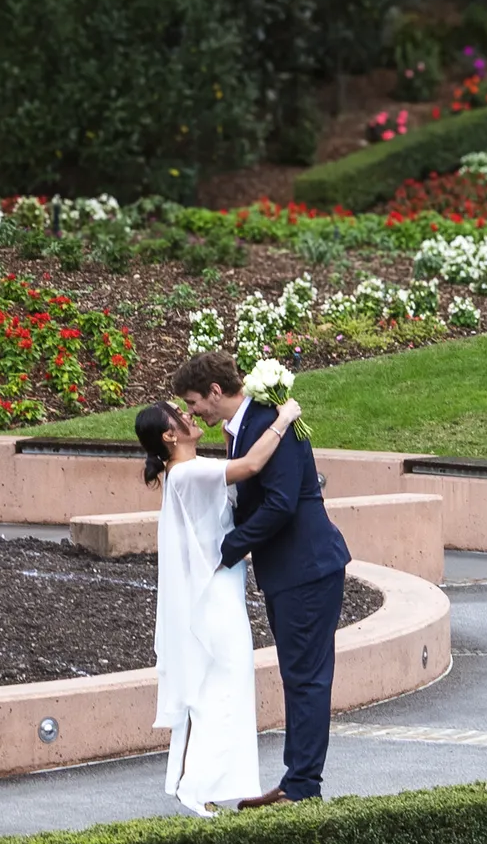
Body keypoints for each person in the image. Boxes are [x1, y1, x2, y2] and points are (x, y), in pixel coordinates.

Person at [169, 349, 350, 808]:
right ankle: (298, 782)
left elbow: (280, 503)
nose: (193, 413)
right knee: (299, 676)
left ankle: (302, 787)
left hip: (306, 568)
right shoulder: (250, 427)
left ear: (214, 391)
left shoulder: (271, 421)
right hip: (289, 572)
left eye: (193, 402)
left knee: (306, 678)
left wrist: (227, 549)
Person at [133, 391, 303, 817]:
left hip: (218, 591)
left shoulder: (184, 473)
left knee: (222, 689)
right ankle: (199, 788)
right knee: (222, 690)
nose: (190, 415)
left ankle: (206, 786)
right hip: (214, 596)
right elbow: (249, 466)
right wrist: (283, 419)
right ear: (171, 436)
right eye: (180, 414)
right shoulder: (188, 473)